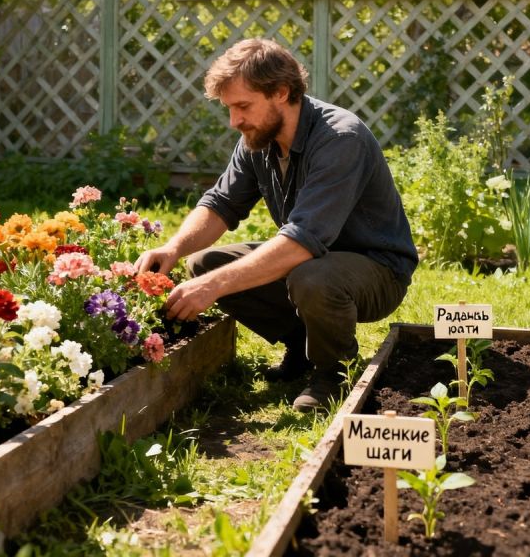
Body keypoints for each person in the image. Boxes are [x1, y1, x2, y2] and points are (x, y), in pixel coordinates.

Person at [134, 38, 418, 411]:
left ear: (281, 92)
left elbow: (302, 242)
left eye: (242, 106)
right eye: (230, 108)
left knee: (309, 277)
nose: (234, 121)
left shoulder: (339, 139)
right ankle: (302, 347)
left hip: (377, 271)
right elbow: (220, 204)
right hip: (313, 260)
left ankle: (335, 372)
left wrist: (213, 287)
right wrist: (173, 247)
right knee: (205, 264)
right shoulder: (258, 138)